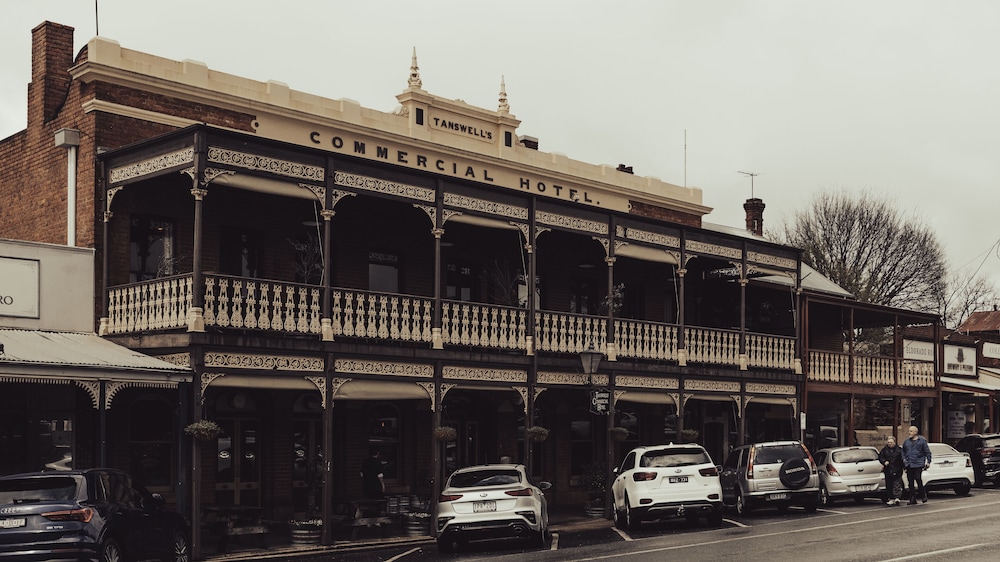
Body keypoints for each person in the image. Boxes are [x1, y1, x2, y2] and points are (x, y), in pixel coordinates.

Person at [901, 425, 931, 504]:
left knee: (918, 478)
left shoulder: (922, 441)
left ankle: (923, 495)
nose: (909, 432)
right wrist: (904, 459)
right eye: (909, 431)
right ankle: (912, 498)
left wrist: (928, 461)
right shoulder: (906, 441)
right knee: (910, 481)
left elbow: (927, 452)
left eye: (911, 431)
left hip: (918, 463)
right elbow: (903, 451)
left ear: (915, 432)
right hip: (909, 464)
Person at [879, 436, 905, 505]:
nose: (890, 444)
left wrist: (904, 467)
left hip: (897, 469)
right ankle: (891, 498)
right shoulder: (884, 450)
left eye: (891, 442)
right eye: (888, 442)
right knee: (889, 484)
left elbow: (903, 459)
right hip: (888, 469)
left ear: (894, 442)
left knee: (897, 484)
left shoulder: (899, 450)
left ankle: (897, 497)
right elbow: (881, 457)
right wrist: (884, 462)